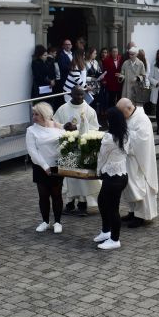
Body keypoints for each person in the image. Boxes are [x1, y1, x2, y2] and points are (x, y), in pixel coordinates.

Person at [54, 87, 101, 218]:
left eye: (82, 94)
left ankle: (82, 205)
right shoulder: (62, 109)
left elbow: (95, 128)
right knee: (69, 177)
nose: (80, 97)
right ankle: (69, 204)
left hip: (83, 148)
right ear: (71, 94)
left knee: (81, 178)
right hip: (67, 147)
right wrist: (64, 126)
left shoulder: (89, 110)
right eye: (77, 94)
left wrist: (78, 127)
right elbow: (54, 124)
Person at [117, 98, 158, 228]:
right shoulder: (128, 117)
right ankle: (133, 212)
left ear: (129, 108)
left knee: (140, 185)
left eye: (121, 112)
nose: (120, 115)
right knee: (129, 186)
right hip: (128, 160)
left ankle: (142, 216)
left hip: (139, 161)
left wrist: (124, 135)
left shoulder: (142, 119)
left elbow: (142, 140)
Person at [93, 107, 130, 250]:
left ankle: (115, 239)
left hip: (112, 177)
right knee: (102, 201)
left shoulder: (109, 138)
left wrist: (97, 171)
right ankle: (106, 231)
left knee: (112, 208)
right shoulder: (126, 134)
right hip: (121, 176)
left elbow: (101, 158)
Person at [26, 102, 66, 233]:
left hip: (57, 166)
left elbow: (67, 141)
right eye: (33, 114)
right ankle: (45, 221)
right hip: (40, 167)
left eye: (36, 114)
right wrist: (45, 166)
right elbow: (32, 151)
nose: (34, 117)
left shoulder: (57, 126)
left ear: (44, 114)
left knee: (57, 195)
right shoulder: (31, 130)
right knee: (43, 195)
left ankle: (58, 222)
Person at [101, 46, 124, 110]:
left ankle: (119, 113)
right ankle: (111, 114)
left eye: (116, 51)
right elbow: (104, 72)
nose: (115, 53)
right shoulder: (106, 60)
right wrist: (104, 80)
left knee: (119, 99)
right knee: (111, 100)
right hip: (111, 83)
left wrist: (121, 75)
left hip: (119, 83)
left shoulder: (121, 58)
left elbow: (124, 69)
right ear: (111, 52)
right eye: (113, 52)